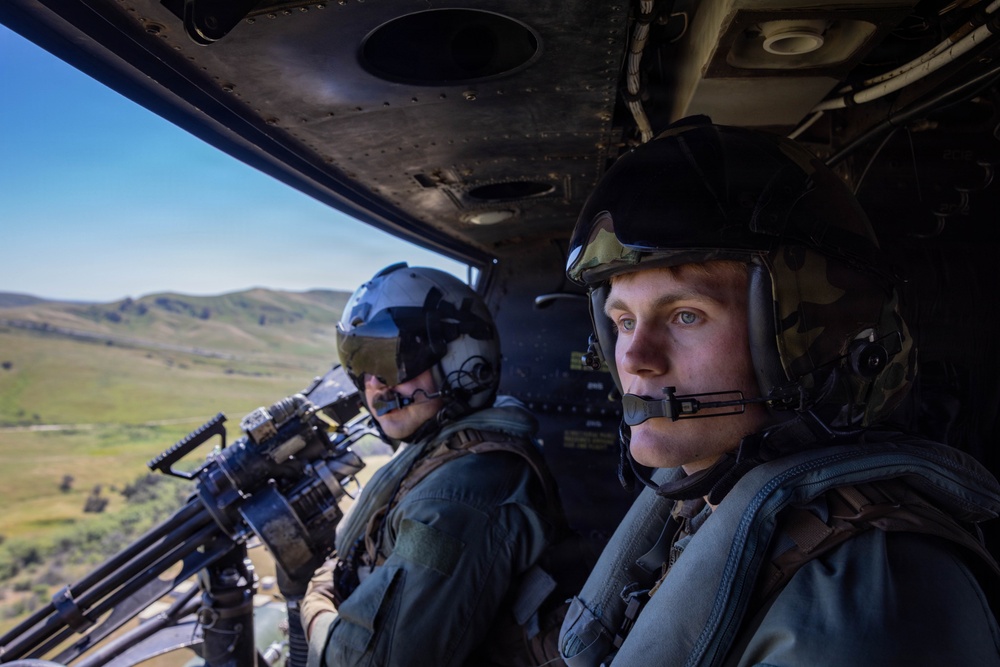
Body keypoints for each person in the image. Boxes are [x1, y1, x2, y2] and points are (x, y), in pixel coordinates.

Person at [557, 117, 1000, 666]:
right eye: (623, 322)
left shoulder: (858, 609)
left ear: (806, 340)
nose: (635, 359)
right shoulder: (705, 501)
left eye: (686, 315)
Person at [300, 262, 569, 667]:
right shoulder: (444, 451)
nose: (374, 385)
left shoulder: (457, 499)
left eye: (391, 360)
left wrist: (316, 600)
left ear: (463, 357)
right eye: (361, 364)